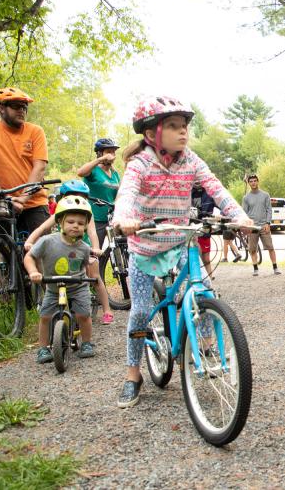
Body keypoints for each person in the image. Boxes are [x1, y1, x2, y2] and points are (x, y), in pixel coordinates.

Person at [112, 95, 251, 408]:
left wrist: (238, 215)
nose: (183, 132)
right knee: (141, 312)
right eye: (173, 126)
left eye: (185, 125)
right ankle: (133, 374)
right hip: (145, 245)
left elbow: (215, 187)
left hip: (179, 241)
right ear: (152, 134)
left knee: (205, 290)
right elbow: (128, 193)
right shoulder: (140, 163)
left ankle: (205, 345)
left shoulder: (191, 159)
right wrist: (123, 218)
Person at [24, 180, 115, 325]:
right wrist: (30, 241)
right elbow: (42, 228)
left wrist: (96, 249)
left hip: (85, 250)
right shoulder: (61, 213)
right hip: (65, 250)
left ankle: (106, 309)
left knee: (95, 277)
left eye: (81, 197)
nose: (76, 200)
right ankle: (60, 309)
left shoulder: (86, 214)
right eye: (71, 196)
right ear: (63, 198)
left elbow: (92, 233)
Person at [0, 87, 49, 235]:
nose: (22, 111)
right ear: (1, 108)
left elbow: (40, 168)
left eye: (25, 107)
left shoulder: (36, 131)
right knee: (3, 250)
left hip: (34, 203)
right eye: (16, 106)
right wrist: (4, 198)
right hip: (1, 203)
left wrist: (23, 199)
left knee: (40, 252)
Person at [24, 196, 96, 363]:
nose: (76, 226)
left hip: (78, 286)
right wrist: (34, 272)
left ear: (85, 226)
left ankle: (87, 343)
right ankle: (43, 348)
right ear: (60, 223)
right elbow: (29, 257)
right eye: (70, 222)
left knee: (84, 315)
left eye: (80, 223)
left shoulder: (84, 248)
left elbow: (84, 267)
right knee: (45, 317)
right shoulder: (47, 241)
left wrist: (91, 272)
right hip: (53, 286)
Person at [77, 138, 121, 250]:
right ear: (100, 153)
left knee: (114, 250)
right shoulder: (94, 170)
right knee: (96, 251)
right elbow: (80, 172)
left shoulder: (115, 174)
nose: (112, 155)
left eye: (113, 152)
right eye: (108, 152)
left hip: (111, 219)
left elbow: (120, 193)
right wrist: (101, 159)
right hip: (96, 219)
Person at [242, 174, 281, 276]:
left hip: (264, 225)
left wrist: (268, 223)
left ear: (258, 182)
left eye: (255, 181)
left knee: (270, 247)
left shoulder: (265, 195)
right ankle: (255, 269)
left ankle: (275, 267)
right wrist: (247, 226)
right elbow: (244, 214)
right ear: (249, 183)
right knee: (252, 249)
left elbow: (269, 210)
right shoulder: (246, 198)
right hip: (252, 227)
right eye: (251, 181)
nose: (253, 183)